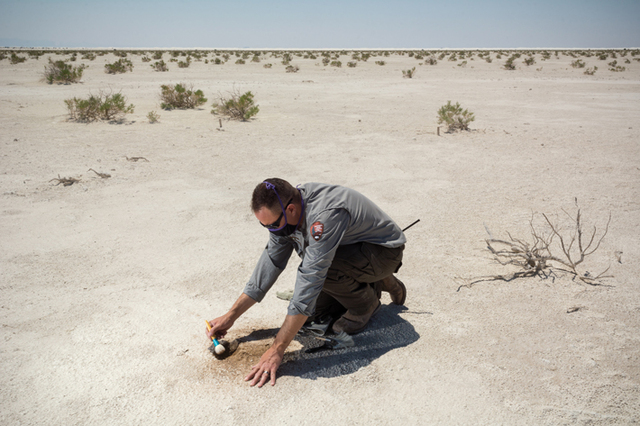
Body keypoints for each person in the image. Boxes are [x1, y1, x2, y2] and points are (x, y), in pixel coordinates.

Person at [206, 178, 407, 387]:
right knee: (315, 312)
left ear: (290, 209)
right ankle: (378, 280)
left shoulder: (324, 217)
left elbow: (311, 278)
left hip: (384, 252)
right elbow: (271, 262)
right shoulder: (284, 211)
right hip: (353, 249)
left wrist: (277, 349)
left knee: (319, 272)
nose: (272, 231)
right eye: (264, 225)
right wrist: (231, 315)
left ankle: (365, 305)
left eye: (273, 225)